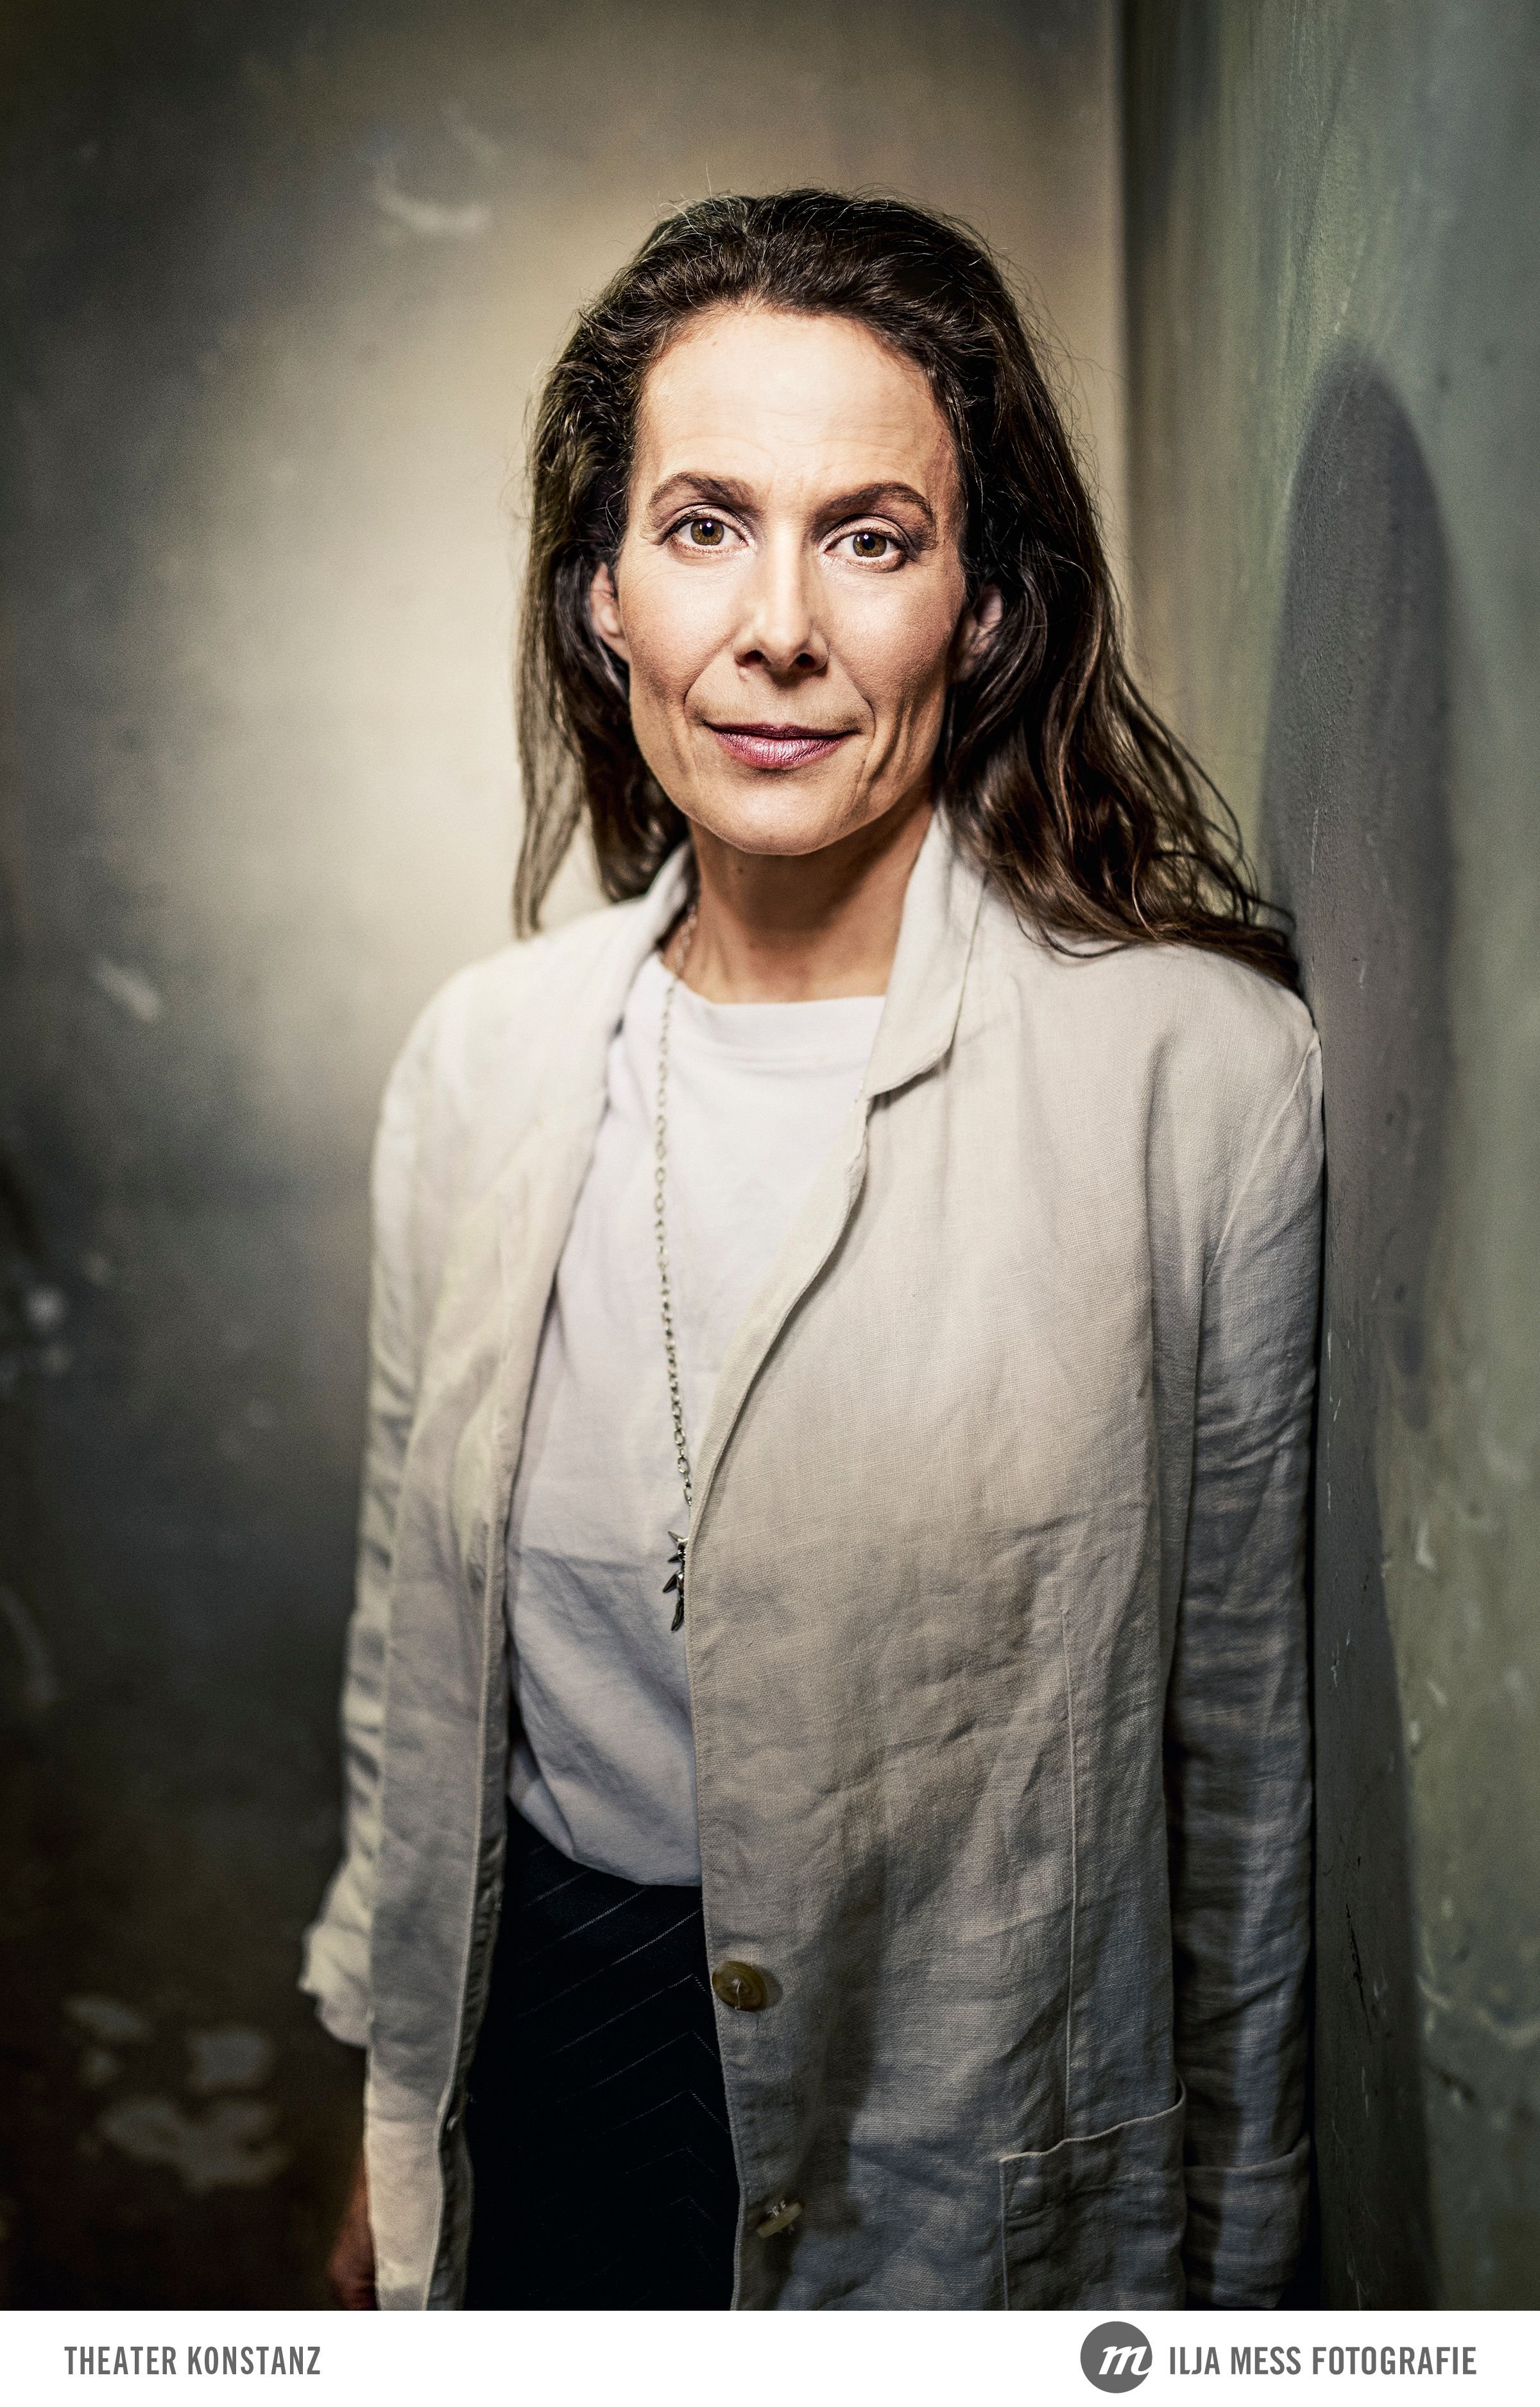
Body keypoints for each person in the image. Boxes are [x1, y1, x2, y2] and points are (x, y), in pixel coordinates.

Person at [303, 189, 1322, 2313]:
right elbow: (418, 1655)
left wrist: (1229, 2283)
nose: (778, 629)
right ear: (602, 595)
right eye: (702, 527)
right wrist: (398, 2136)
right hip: (542, 2069)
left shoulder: (1198, 1080)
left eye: (870, 536)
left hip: (959, 2138)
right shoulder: (483, 1062)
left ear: (985, 607)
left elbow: (1238, 1776)